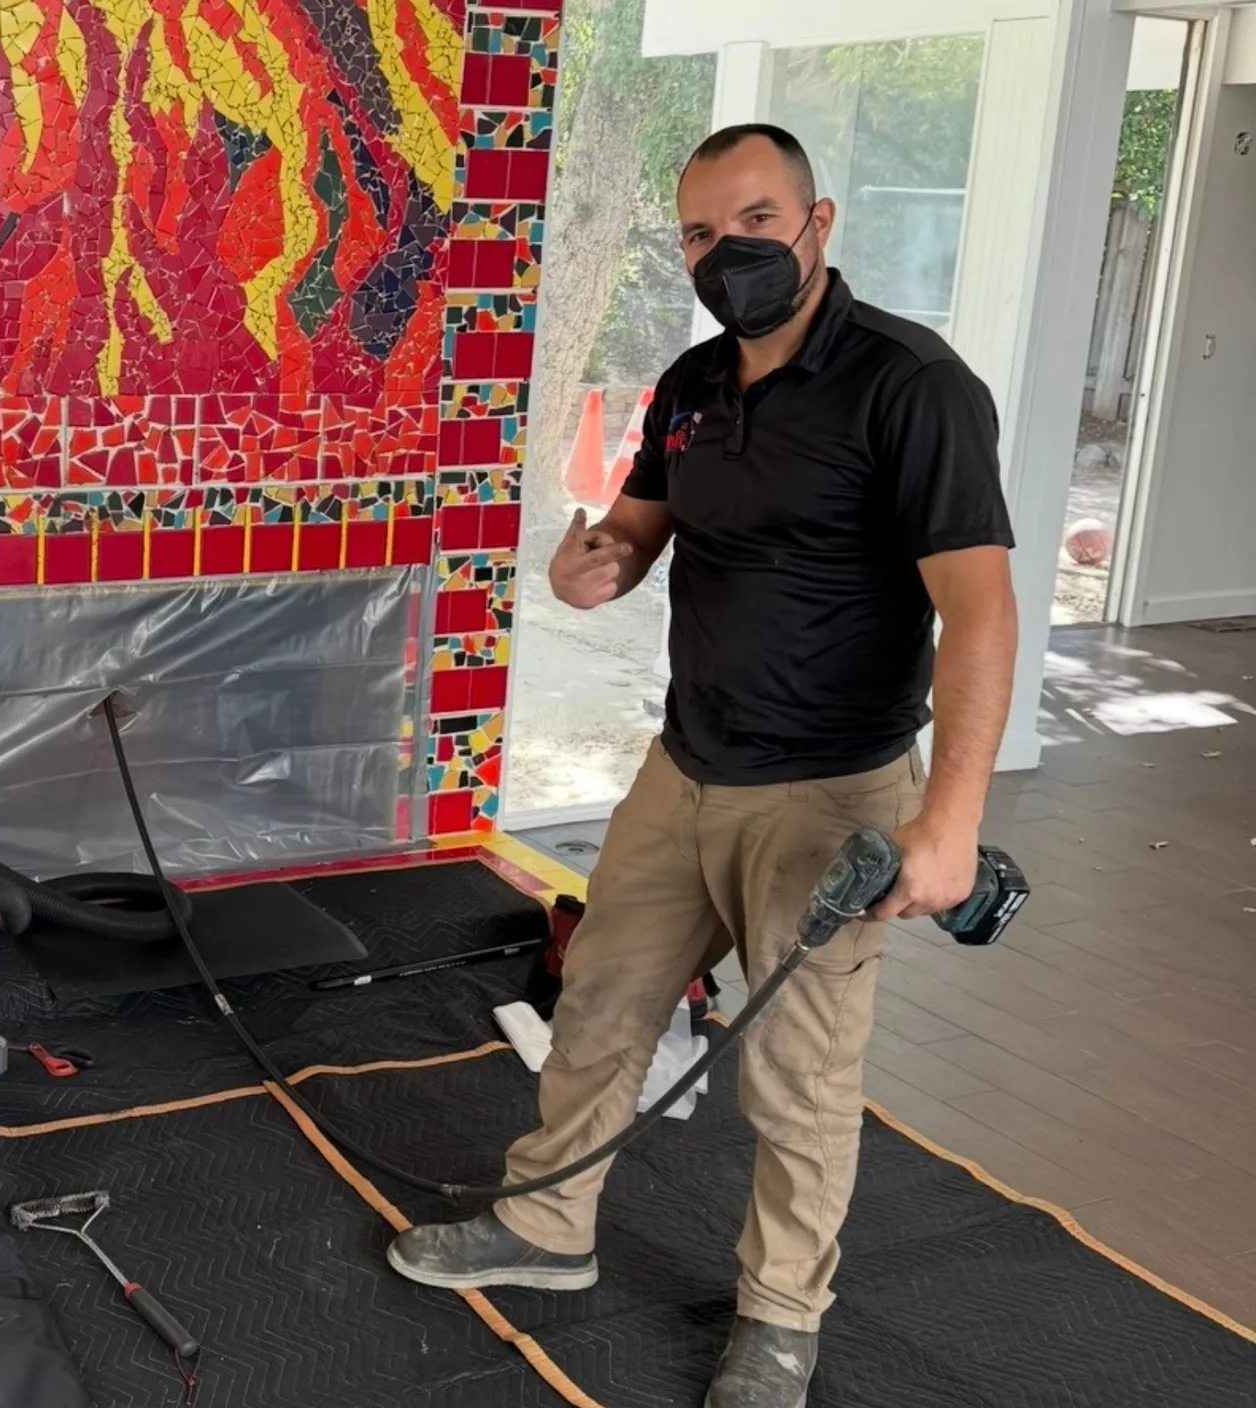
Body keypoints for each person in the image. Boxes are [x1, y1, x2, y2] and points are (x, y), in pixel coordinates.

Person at [387, 124, 1020, 1408]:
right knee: (599, 1008)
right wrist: (590, 566)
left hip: (829, 791)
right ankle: (545, 1228)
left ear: (816, 222)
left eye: (751, 222)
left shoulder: (911, 386)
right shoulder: (689, 383)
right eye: (695, 233)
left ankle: (780, 1319)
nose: (723, 253)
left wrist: (947, 821)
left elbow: (983, 613)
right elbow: (632, 530)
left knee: (795, 1076)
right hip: (683, 769)